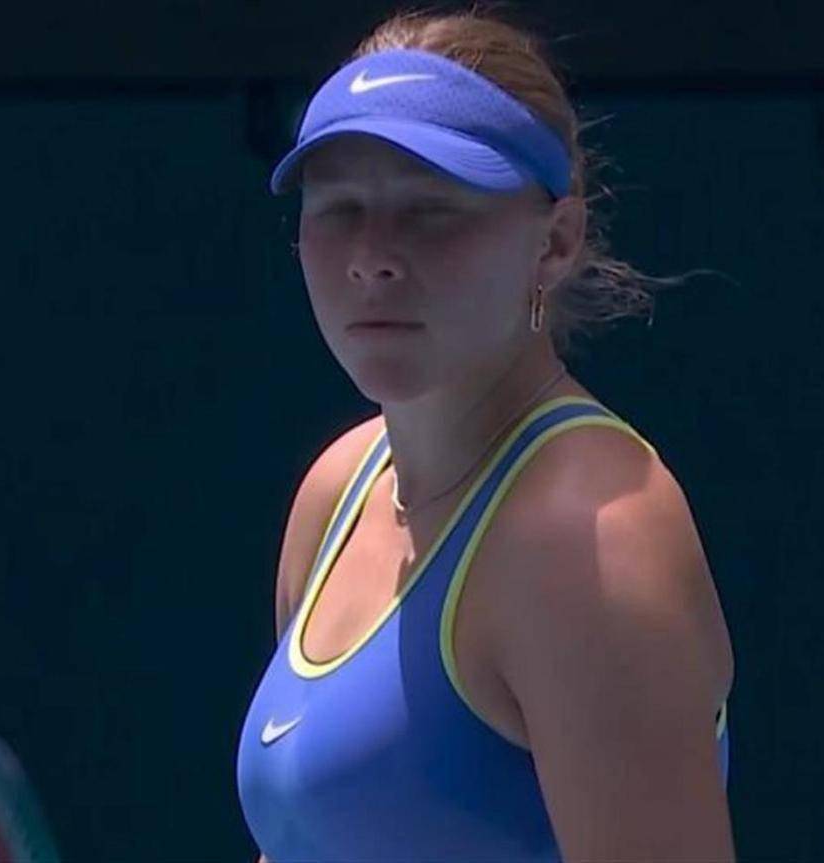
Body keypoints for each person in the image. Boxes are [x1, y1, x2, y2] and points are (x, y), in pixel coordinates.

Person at [236, 4, 736, 861]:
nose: (371, 255)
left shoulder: (589, 540)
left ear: (556, 242)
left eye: (430, 209)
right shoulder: (336, 490)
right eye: (339, 207)